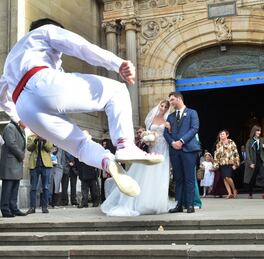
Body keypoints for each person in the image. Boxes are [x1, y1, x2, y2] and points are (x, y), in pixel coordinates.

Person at [0, 18, 163, 199]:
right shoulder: (46, 30)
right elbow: (79, 46)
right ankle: (125, 145)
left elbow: (2, 97)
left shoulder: (10, 61)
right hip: (42, 82)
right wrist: (116, 63)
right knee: (116, 91)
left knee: (80, 145)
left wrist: (18, 119)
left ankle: (108, 162)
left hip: (24, 107)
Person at [101, 100, 173, 216]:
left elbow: (170, 134)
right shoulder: (151, 119)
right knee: (148, 173)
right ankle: (144, 202)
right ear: (159, 106)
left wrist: (169, 128)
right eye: (162, 106)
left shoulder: (168, 120)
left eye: (165, 107)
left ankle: (158, 203)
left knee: (161, 173)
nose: (163, 108)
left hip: (163, 148)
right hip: (152, 148)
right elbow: (147, 132)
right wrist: (147, 138)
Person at [164, 92, 201, 213]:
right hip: (175, 151)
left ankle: (190, 205)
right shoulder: (170, 117)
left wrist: (181, 141)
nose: (171, 103)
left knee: (189, 178)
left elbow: (194, 128)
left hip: (189, 150)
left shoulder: (192, 113)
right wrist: (172, 143)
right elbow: (165, 133)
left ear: (179, 99)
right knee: (178, 179)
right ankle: (178, 205)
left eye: (172, 100)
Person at [0, 120, 27, 217]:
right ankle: (5, 209)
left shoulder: (20, 129)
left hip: (17, 162)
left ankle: (13, 208)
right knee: (8, 187)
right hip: (10, 162)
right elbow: (11, 143)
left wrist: (21, 156)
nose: (27, 124)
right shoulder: (10, 127)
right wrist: (21, 155)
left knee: (15, 186)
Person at [26, 135, 54, 214]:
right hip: (34, 165)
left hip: (46, 165)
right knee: (33, 188)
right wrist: (35, 140)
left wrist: (44, 140)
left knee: (45, 187)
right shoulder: (31, 137)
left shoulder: (48, 136)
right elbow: (29, 148)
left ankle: (44, 207)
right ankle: (32, 207)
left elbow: (49, 148)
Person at [244, 125, 264, 199]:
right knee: (252, 178)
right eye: (257, 130)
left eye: (260, 131)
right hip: (253, 162)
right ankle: (250, 193)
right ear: (254, 131)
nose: (259, 132)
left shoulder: (262, 140)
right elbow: (247, 153)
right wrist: (250, 163)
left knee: (263, 176)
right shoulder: (249, 141)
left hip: (260, 161)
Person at [213, 130, 240, 199]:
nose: (221, 135)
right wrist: (216, 164)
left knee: (228, 177)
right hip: (222, 163)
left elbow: (235, 152)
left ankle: (234, 189)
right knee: (224, 178)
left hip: (230, 162)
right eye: (220, 134)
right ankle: (229, 193)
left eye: (223, 134)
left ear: (227, 135)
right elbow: (216, 155)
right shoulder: (218, 144)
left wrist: (236, 163)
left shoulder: (231, 142)